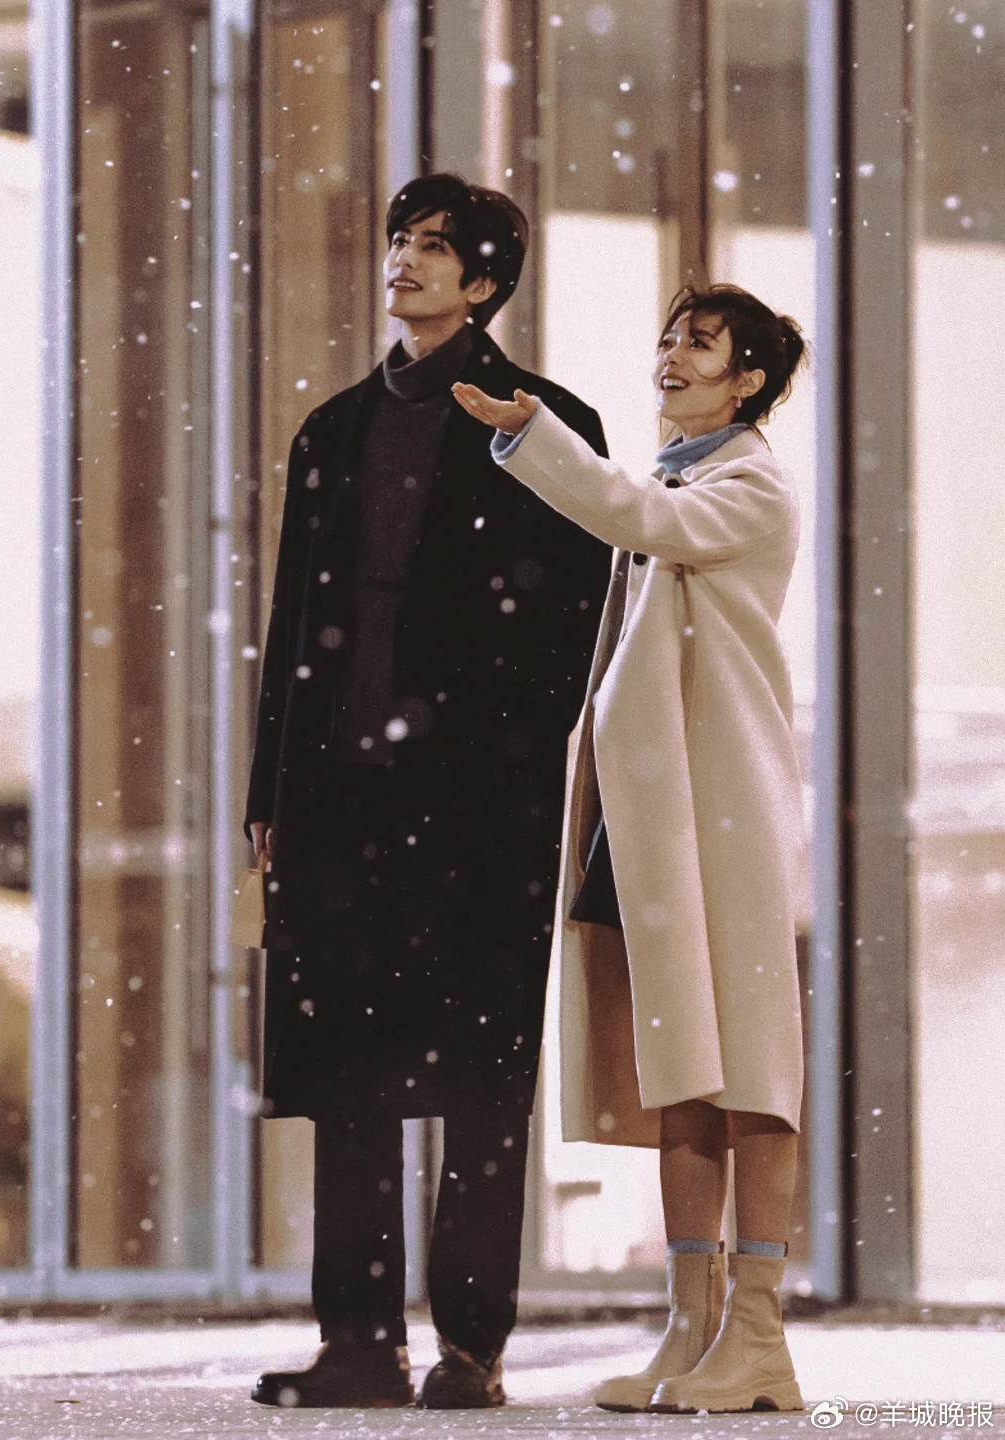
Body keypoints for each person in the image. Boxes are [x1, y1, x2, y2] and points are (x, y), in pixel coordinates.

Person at [245, 172, 611, 1410]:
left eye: (435, 246)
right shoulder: (332, 431)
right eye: (400, 239)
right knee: (346, 1072)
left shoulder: (547, 423)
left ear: (485, 282)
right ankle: (358, 1341)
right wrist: (271, 788)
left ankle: (470, 1346)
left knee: (481, 1080)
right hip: (338, 800)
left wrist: (504, 766)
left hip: (477, 809)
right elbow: (292, 625)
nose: (403, 260)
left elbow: (573, 631)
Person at [453, 282, 808, 1414]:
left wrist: (531, 432)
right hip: (653, 814)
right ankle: (692, 1328)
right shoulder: (679, 477)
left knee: (751, 1072)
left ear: (747, 380)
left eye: (700, 344)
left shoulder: (745, 485)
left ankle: (759, 1338)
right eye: (668, 339)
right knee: (683, 1072)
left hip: (722, 810)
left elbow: (633, 518)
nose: (672, 356)